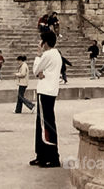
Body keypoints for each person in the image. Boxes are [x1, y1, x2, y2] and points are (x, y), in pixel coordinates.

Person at [29, 31, 61, 168]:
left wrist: (38, 55)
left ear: (45, 42)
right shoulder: (56, 54)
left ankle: (52, 157)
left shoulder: (47, 54)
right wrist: (42, 73)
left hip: (45, 92)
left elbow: (36, 70)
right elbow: (41, 72)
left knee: (45, 124)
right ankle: (41, 155)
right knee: (43, 123)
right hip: (50, 91)